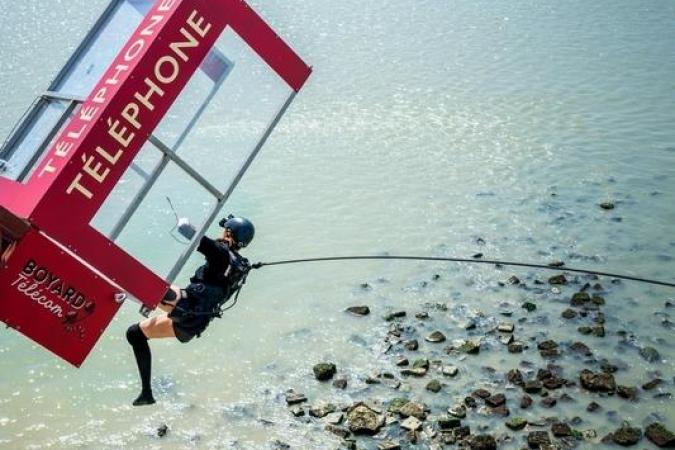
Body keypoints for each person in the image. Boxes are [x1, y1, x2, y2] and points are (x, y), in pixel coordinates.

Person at [126, 215, 254, 406]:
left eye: (225, 229)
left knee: (141, 282)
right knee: (135, 333)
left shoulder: (221, 254)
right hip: (194, 326)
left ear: (228, 232)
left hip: (187, 307)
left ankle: (110, 288)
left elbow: (186, 230)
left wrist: (181, 218)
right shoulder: (241, 266)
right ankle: (146, 394)